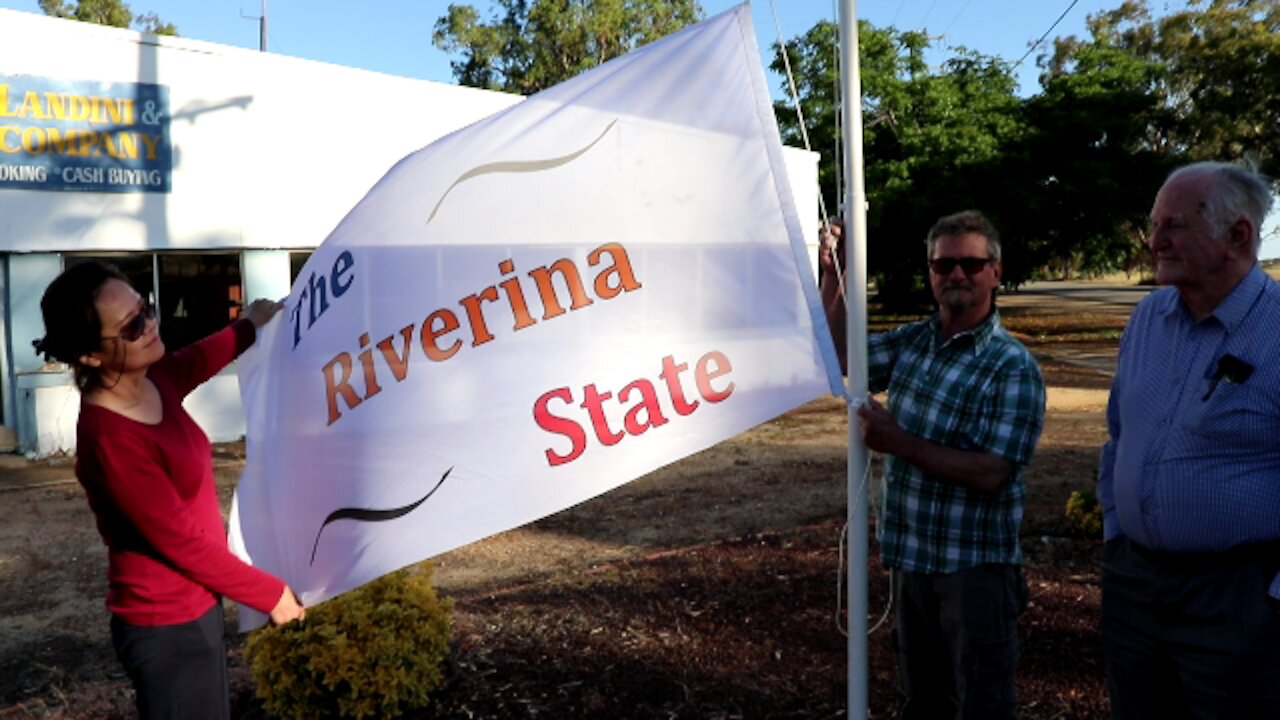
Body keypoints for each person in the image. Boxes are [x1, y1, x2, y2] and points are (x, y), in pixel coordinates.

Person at [32, 261, 306, 720]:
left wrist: (251, 324)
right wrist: (272, 595)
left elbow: (198, 358)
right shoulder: (110, 441)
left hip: (197, 606)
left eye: (147, 308)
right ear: (91, 356)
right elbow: (182, 544)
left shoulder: (151, 379)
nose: (151, 325)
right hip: (166, 625)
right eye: (133, 326)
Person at [821, 211, 1047, 719]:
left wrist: (898, 441)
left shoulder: (1011, 366)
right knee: (923, 703)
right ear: (930, 272)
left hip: (975, 572)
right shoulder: (915, 342)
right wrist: (833, 274)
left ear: (995, 271)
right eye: (944, 264)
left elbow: (993, 472)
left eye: (971, 263)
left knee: (981, 705)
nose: (957, 275)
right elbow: (838, 357)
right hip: (913, 562)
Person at [1098, 161, 1280, 719]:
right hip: (1136, 585)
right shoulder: (1148, 318)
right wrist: (1114, 533)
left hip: (1237, 598)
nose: (1155, 242)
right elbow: (1118, 436)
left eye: (1173, 226)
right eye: (1155, 225)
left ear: (1238, 236)